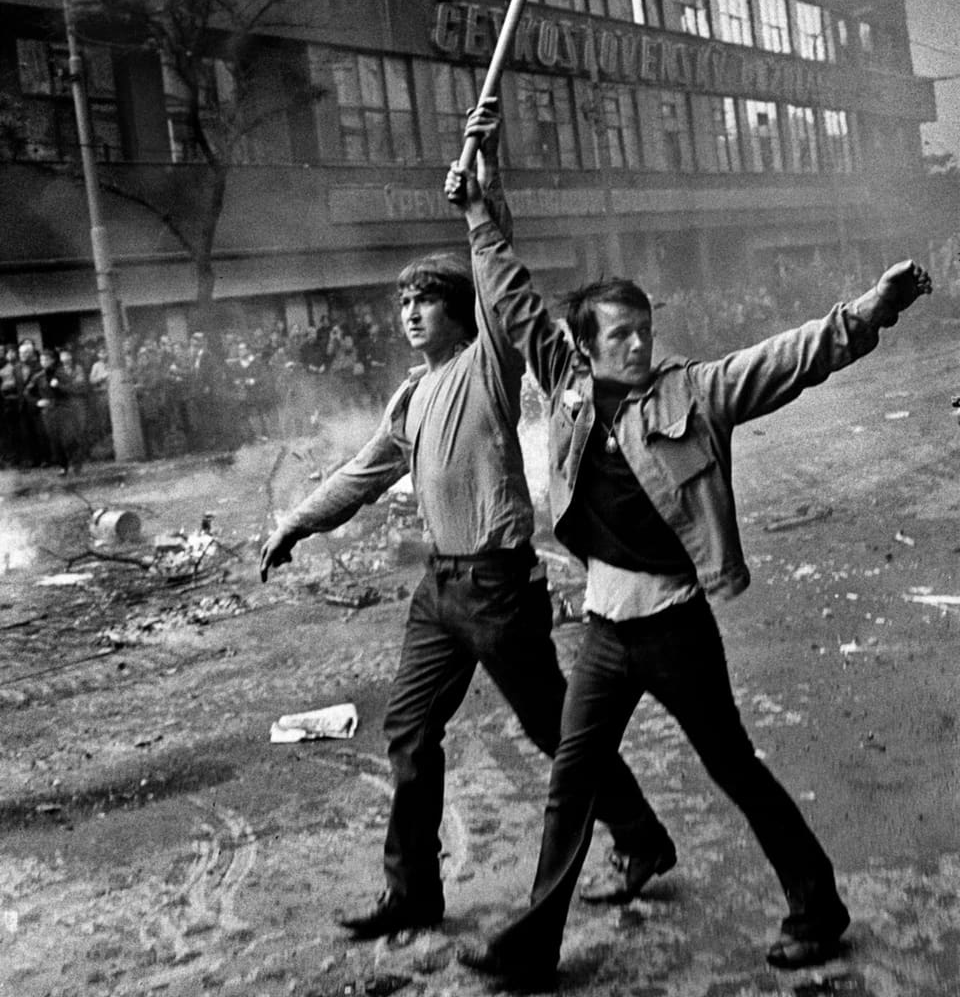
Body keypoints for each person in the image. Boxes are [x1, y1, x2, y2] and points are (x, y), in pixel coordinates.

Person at [447, 101, 932, 989]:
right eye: (619, 335)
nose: (637, 345)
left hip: (673, 627)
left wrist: (870, 310)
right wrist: (480, 214)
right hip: (601, 630)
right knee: (571, 779)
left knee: (733, 768)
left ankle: (817, 909)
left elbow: (791, 356)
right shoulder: (564, 380)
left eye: (644, 330)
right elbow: (515, 302)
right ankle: (533, 946)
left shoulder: (696, 392)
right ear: (587, 348)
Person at [259, 123, 672, 943]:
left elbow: (499, 275)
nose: (412, 313)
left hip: (496, 579)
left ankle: (640, 839)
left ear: (457, 309)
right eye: (404, 303)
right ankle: (413, 894)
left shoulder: (489, 360)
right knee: (409, 734)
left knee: (554, 728)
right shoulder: (411, 397)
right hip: (439, 591)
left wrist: (482, 193)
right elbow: (362, 475)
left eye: (426, 300)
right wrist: (296, 523)